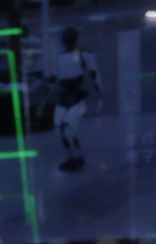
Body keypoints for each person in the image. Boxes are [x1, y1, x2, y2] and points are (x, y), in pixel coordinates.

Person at [51, 26, 102, 171]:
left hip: (77, 98)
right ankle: (71, 156)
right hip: (64, 97)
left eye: (70, 38)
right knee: (58, 128)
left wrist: (99, 96)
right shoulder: (61, 58)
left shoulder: (84, 55)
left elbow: (94, 74)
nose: (68, 41)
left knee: (67, 129)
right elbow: (56, 78)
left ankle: (77, 157)